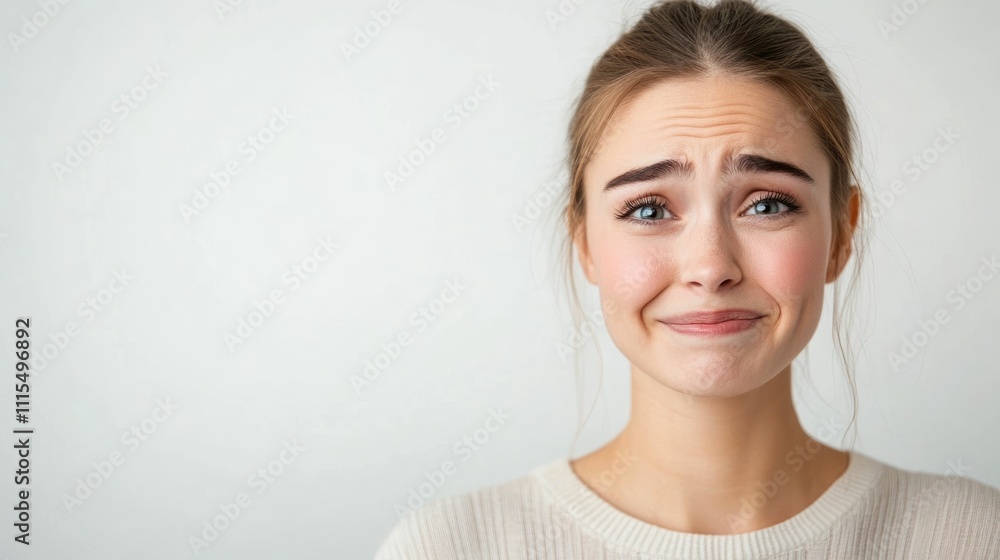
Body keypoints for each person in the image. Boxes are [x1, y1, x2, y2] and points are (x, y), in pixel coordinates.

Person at [374, 1, 1000, 558]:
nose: (710, 268)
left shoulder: (970, 538)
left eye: (767, 204)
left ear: (841, 233)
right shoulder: (449, 547)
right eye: (648, 210)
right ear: (585, 242)